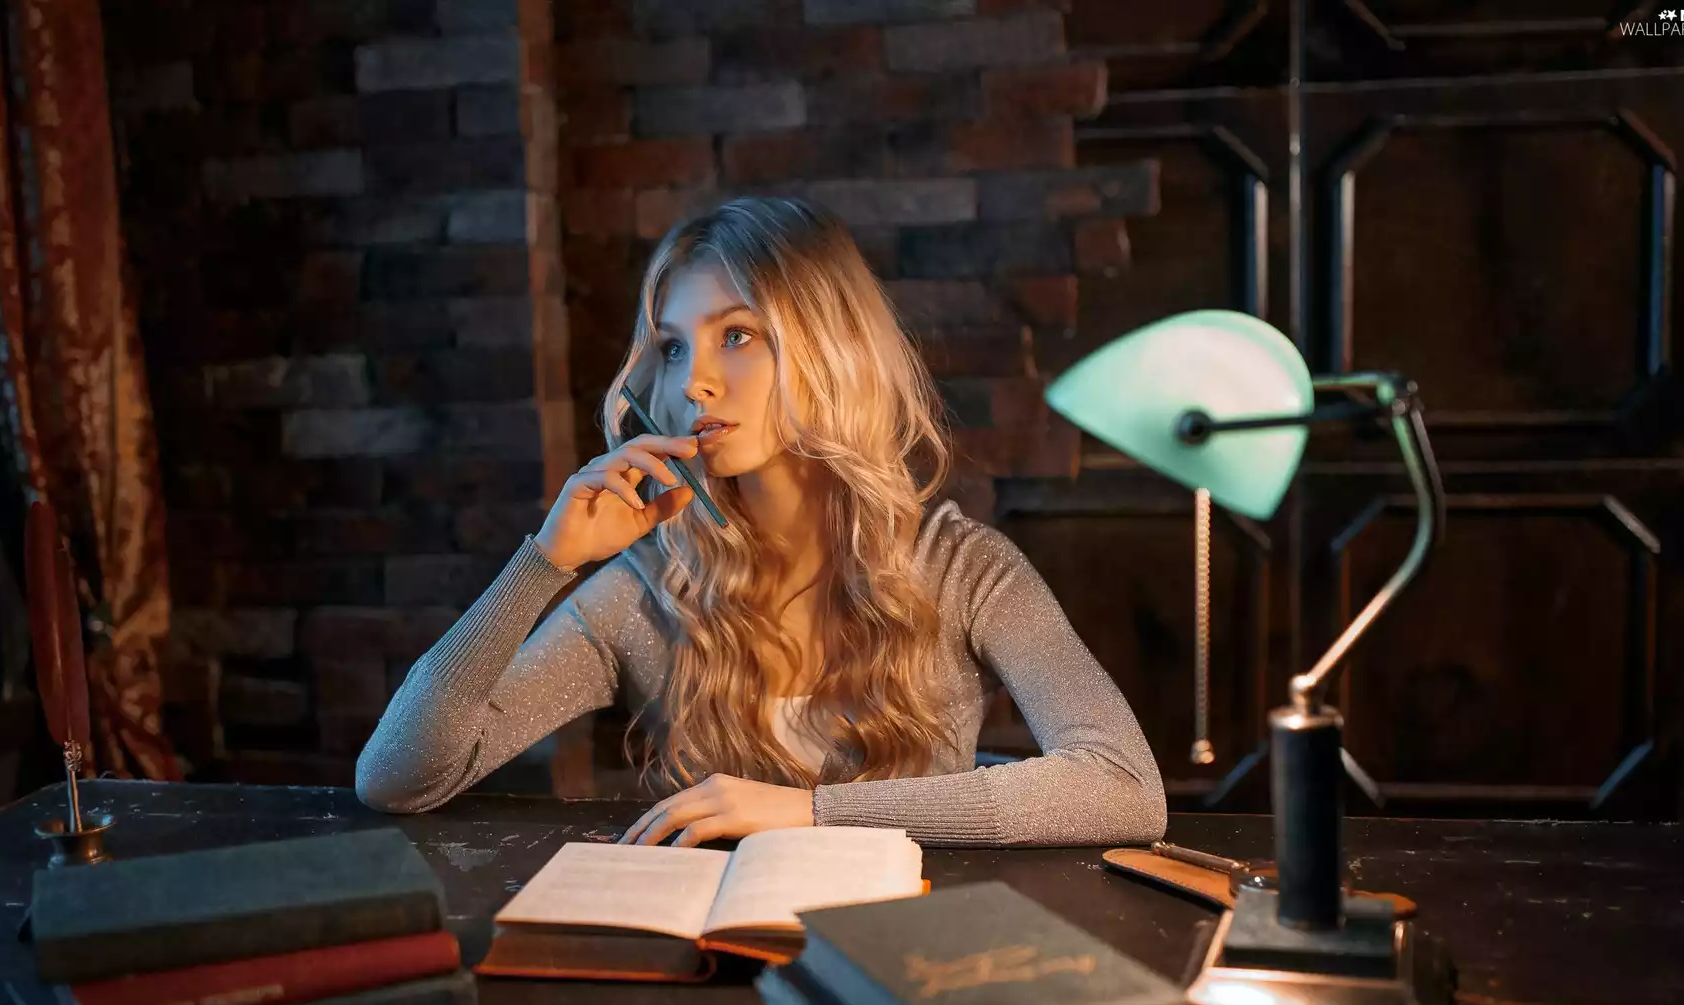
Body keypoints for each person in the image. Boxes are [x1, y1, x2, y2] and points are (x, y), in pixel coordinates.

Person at [355, 195, 1165, 849]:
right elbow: (399, 776)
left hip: (915, 958)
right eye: (673, 349)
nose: (694, 382)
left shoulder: (963, 569)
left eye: (736, 336)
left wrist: (811, 816)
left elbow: (1122, 787)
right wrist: (543, 564)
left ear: (829, 350)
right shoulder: (647, 593)